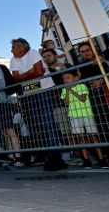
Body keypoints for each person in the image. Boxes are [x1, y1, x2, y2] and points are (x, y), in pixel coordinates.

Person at [10, 38, 66, 171]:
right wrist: (31, 72)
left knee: (47, 122)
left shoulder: (33, 53)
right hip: (29, 93)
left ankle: (55, 157)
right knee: (38, 125)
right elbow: (16, 78)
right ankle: (48, 155)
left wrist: (26, 75)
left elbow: (40, 72)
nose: (11, 50)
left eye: (13, 48)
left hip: (43, 91)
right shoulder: (13, 60)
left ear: (21, 47)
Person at [61, 70, 109, 169]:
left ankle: (101, 159)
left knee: (94, 137)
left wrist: (72, 91)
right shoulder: (64, 89)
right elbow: (66, 103)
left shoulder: (82, 86)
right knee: (81, 138)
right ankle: (86, 160)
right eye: (64, 79)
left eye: (68, 77)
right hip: (74, 115)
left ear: (75, 78)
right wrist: (67, 91)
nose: (66, 80)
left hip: (86, 114)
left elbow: (82, 99)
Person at [42, 49, 73, 147]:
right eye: (45, 56)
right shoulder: (45, 71)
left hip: (75, 100)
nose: (47, 58)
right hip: (58, 103)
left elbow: (77, 76)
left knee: (82, 129)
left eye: (49, 55)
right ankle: (77, 154)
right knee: (66, 131)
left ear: (55, 56)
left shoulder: (67, 65)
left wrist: (65, 69)